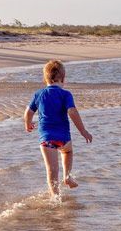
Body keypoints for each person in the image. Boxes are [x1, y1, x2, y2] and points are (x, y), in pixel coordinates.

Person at [24, 60, 93, 197]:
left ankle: (55, 197)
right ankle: (67, 176)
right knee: (67, 152)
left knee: (52, 170)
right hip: (63, 138)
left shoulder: (39, 94)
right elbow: (72, 112)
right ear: (63, 79)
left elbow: (28, 112)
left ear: (45, 79)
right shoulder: (65, 94)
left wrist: (28, 124)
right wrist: (83, 131)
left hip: (47, 139)